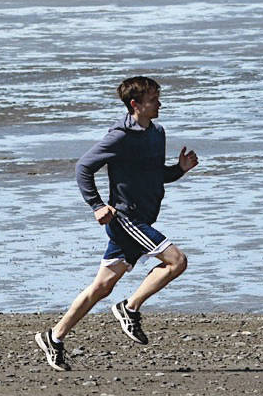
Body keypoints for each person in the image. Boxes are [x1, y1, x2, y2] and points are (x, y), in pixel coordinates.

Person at [35, 75, 198, 371]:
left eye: (158, 98)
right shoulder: (119, 137)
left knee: (102, 286)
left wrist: (179, 170)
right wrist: (97, 205)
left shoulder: (157, 133)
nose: (159, 104)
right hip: (126, 219)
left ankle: (54, 337)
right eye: (153, 100)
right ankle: (129, 307)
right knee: (177, 261)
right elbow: (83, 167)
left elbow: (154, 175)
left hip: (143, 219)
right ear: (135, 104)